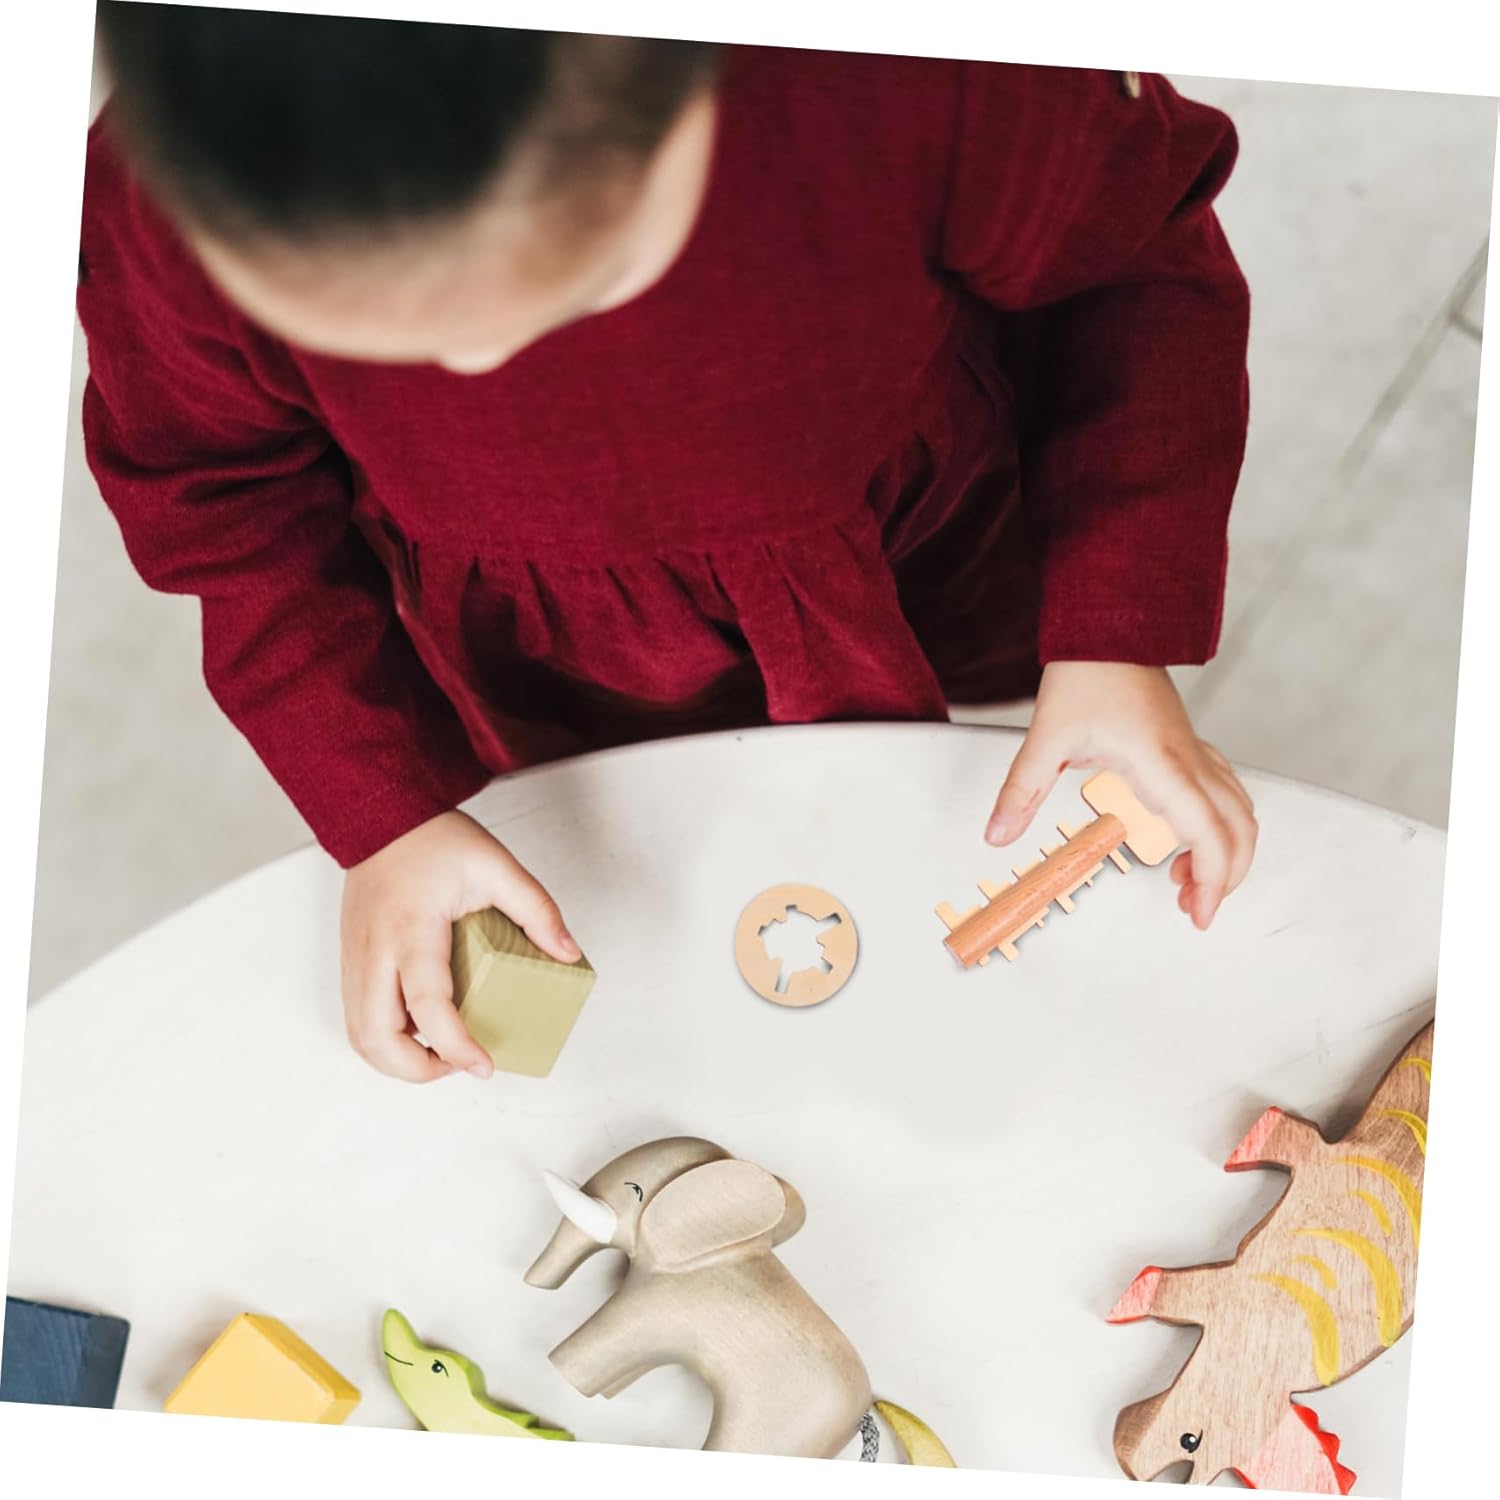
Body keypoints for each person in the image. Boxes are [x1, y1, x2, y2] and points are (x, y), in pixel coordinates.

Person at [80, 6, 1259, 1084]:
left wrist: (1114, 629)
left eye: (571, 285)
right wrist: (380, 807)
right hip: (545, 660)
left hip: (924, 552)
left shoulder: (909, 71)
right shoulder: (158, 215)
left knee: (962, 701)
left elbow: (1137, 267)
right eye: (371, 332)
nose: (480, 360)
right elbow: (222, 501)